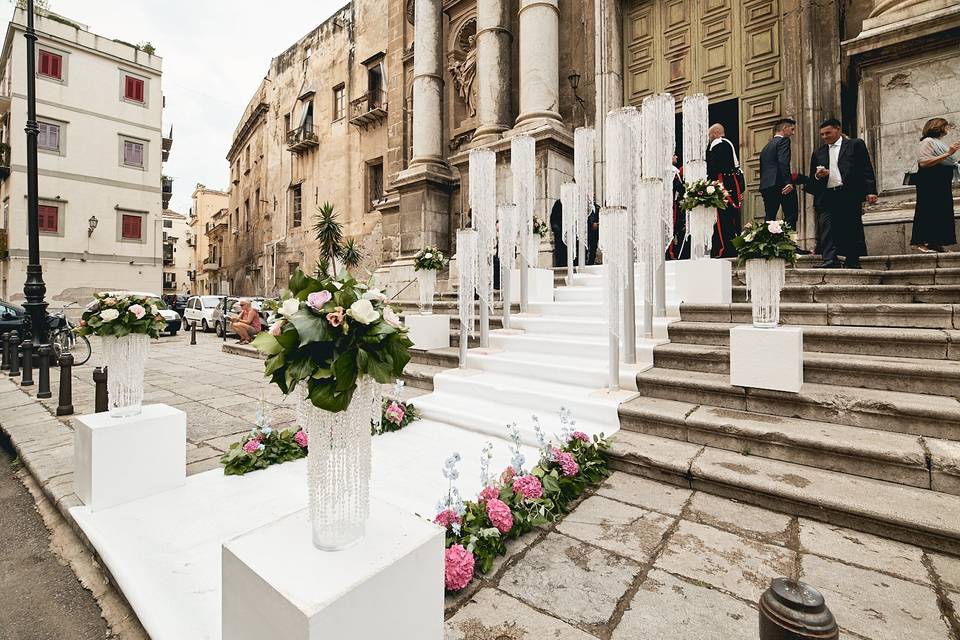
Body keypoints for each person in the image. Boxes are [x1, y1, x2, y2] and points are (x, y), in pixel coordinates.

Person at [806, 118, 878, 269]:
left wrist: (871, 190)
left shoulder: (855, 144)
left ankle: (852, 260)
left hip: (848, 192)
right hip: (826, 195)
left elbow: (866, 167)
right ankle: (830, 259)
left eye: (828, 133)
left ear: (838, 130)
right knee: (826, 227)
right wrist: (818, 176)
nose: (825, 137)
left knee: (851, 226)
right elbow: (812, 178)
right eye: (822, 134)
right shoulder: (818, 153)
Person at [911, 117, 959, 253]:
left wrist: (952, 157)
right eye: (946, 126)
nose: (948, 128)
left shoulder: (939, 142)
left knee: (941, 211)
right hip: (930, 181)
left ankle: (935, 242)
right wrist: (948, 154)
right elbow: (924, 162)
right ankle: (920, 242)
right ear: (938, 127)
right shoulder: (927, 142)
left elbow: (948, 160)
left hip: (941, 182)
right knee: (927, 209)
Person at [706, 123, 744, 257]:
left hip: (722, 183)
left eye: (710, 135)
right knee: (732, 218)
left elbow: (714, 166)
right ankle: (734, 246)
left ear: (715, 133)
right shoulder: (728, 144)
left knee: (722, 218)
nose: (709, 138)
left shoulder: (718, 143)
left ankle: (724, 249)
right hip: (732, 183)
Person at [759, 118, 799, 230]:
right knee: (791, 214)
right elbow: (783, 162)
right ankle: (790, 246)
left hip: (766, 186)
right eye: (792, 129)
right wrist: (788, 182)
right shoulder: (784, 141)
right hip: (781, 184)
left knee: (769, 218)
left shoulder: (766, 147)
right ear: (784, 128)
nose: (793, 132)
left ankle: (770, 246)